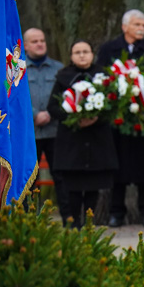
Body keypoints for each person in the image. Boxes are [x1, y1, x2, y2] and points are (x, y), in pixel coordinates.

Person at [96, 9, 144, 227]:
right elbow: (102, 78)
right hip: (119, 122)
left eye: (143, 25)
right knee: (119, 167)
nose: (141, 29)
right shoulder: (109, 50)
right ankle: (117, 211)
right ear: (125, 27)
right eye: (137, 25)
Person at [47, 40, 118, 229]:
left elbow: (113, 105)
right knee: (73, 188)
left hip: (97, 141)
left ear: (92, 54)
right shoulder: (63, 77)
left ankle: (89, 225)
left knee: (93, 187)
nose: (81, 55)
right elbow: (52, 107)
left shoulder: (103, 76)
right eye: (77, 52)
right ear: (71, 57)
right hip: (72, 142)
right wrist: (73, 117)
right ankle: (73, 224)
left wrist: (95, 118)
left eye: (85, 51)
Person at [24, 27, 69, 221]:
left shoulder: (59, 69)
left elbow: (67, 96)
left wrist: (51, 112)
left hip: (55, 131)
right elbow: (14, 99)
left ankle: (69, 219)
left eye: (42, 40)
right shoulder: (17, 69)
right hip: (29, 133)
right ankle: (28, 218)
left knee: (61, 176)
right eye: (35, 41)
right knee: (29, 179)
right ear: (25, 45)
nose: (40, 44)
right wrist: (34, 115)